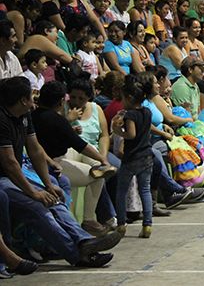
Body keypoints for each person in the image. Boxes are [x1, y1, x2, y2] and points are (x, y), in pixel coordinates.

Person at [0, 76, 121, 267]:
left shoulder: (24, 116)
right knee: (38, 207)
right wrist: (34, 192)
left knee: (54, 197)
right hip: (4, 178)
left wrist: (47, 185)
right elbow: (9, 163)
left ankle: (84, 241)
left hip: (18, 173)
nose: (34, 102)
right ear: (23, 100)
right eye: (31, 97)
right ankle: (79, 255)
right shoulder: (2, 120)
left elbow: (36, 150)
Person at [32, 81, 116, 236]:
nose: (75, 101)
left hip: (45, 163)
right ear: (61, 101)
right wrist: (103, 160)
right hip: (56, 163)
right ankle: (89, 219)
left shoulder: (32, 116)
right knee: (98, 174)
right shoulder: (57, 120)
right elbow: (80, 145)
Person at [112, 75, 154, 238]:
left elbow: (131, 134)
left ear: (129, 98)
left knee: (121, 191)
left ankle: (121, 223)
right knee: (145, 189)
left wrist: (117, 131)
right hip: (147, 155)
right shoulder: (147, 112)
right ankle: (148, 224)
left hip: (132, 157)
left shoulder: (130, 114)